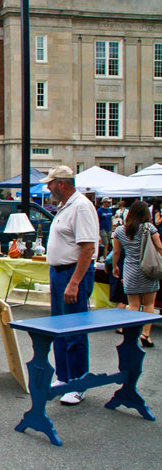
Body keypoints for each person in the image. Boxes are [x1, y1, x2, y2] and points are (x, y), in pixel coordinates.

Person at [42, 165, 99, 406]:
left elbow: (88, 248)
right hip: (60, 273)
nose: (48, 187)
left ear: (61, 184)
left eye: (51, 183)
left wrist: (74, 282)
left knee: (74, 328)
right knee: (59, 327)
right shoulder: (66, 206)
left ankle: (78, 382)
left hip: (72, 273)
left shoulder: (81, 206)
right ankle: (65, 377)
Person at [112, 200, 162, 347]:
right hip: (149, 268)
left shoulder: (120, 230)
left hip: (130, 269)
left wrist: (115, 266)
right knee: (149, 303)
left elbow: (116, 252)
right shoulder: (149, 227)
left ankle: (130, 335)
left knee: (133, 304)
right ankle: (146, 334)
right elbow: (159, 247)